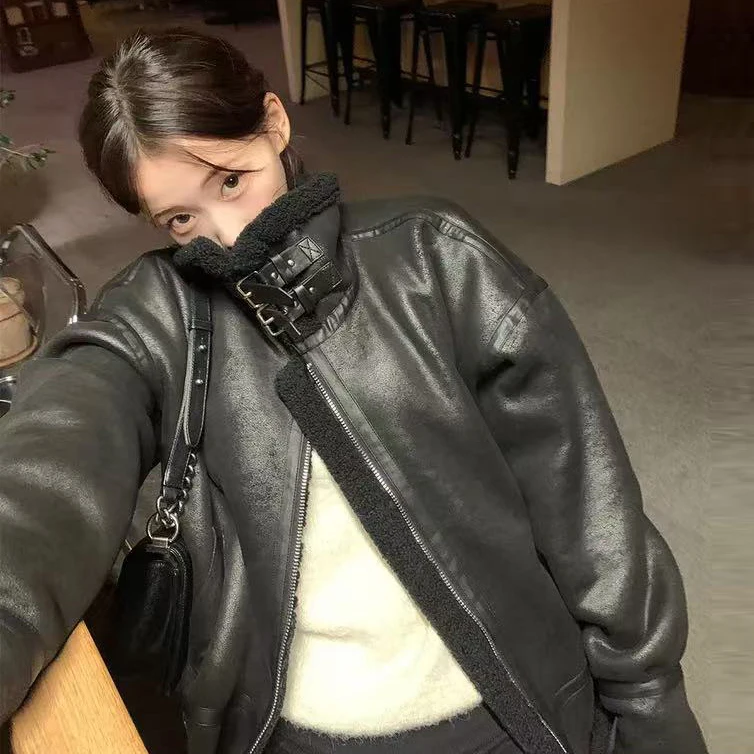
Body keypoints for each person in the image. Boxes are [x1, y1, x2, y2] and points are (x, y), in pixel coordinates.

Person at [0, 28, 707, 754]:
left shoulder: (438, 260)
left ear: (274, 122)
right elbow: (51, 462)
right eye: (181, 220)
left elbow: (590, 514)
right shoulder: (158, 316)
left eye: (231, 181)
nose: (229, 236)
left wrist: (649, 711)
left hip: (503, 716)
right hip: (291, 736)